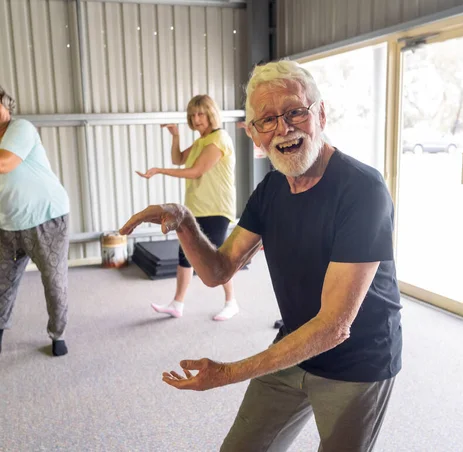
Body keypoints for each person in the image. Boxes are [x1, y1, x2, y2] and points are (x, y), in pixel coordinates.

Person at [120, 60, 402, 451]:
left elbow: (334, 327)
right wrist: (184, 220)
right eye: (267, 120)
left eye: (294, 112)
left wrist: (227, 373)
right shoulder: (271, 189)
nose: (283, 128)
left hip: (357, 361)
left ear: (319, 114)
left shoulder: (362, 189)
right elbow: (217, 271)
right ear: (254, 135)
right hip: (293, 346)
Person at [136, 95, 238, 321]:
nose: (196, 118)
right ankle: (177, 303)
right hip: (195, 207)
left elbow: (196, 171)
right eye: (192, 115)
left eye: (201, 113)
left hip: (216, 208)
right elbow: (179, 159)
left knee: (216, 257)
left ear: (211, 113)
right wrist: (175, 136)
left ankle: (231, 302)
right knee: (185, 254)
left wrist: (159, 171)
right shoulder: (202, 141)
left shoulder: (218, 138)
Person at [0, 86, 70, 357]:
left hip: (47, 218)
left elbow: (5, 163)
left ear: (6, 104)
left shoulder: (21, 128)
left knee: (54, 281)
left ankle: (58, 333)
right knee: (2, 285)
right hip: (7, 223)